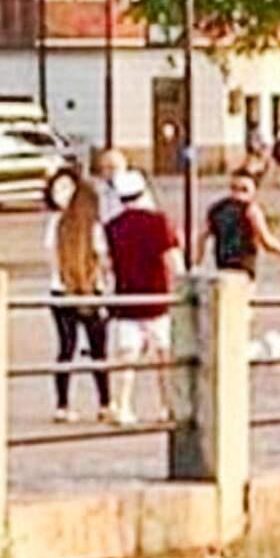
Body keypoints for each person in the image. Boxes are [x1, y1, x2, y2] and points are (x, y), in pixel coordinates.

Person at [103, 168, 182, 426]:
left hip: (126, 300)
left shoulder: (112, 227)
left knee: (126, 358)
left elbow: (106, 264)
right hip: (157, 300)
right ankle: (166, 406)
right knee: (164, 357)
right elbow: (173, 262)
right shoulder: (159, 223)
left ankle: (122, 406)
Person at [46, 172, 110, 422]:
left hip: (60, 291)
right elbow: (101, 260)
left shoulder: (56, 224)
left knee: (66, 349)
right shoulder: (95, 228)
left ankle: (62, 405)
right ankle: (104, 403)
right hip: (90, 292)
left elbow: (51, 256)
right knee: (98, 351)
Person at [199, 168, 280, 278]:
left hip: (223, 270)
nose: (238, 194)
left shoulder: (217, 209)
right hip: (243, 271)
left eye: (243, 190)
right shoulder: (251, 210)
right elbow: (266, 241)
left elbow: (202, 236)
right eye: (234, 188)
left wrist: (196, 262)